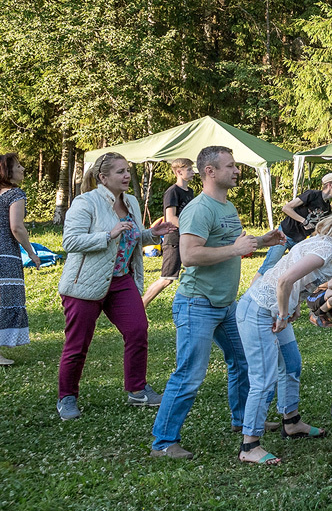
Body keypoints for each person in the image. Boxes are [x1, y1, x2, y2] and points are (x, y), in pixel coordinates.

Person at [150, 146, 285, 459]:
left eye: (235, 166)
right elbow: (190, 255)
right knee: (189, 375)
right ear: (209, 171)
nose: (236, 171)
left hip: (226, 305)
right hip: (197, 303)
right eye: (230, 166)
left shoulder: (227, 205)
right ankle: (163, 443)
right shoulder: (199, 209)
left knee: (242, 362)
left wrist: (263, 241)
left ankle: (244, 421)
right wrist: (235, 251)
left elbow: (228, 243)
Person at [235, 204, 332, 465]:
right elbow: (285, 279)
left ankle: (291, 421)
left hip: (272, 309)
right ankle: (249, 444)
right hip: (259, 311)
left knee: (291, 364)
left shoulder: (325, 244)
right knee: (263, 378)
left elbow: (300, 279)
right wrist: (284, 314)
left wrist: (294, 305)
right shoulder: (325, 248)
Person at [56, 152, 177, 421]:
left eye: (127, 170)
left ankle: (137, 390)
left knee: (137, 330)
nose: (126, 175)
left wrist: (150, 235)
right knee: (78, 343)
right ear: (103, 177)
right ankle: (67, 398)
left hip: (121, 281)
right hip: (85, 283)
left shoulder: (132, 201)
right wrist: (106, 235)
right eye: (120, 171)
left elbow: (131, 236)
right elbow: (71, 242)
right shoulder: (85, 202)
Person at [251, 172, 332, 285]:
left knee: (294, 273)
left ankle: (287, 298)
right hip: (283, 235)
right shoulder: (311, 195)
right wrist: (304, 221)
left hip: (299, 242)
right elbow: (286, 208)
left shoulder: (326, 206)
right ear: (329, 184)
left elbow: (319, 212)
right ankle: (248, 295)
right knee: (268, 266)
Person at [1, 154, 40, 366]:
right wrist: (31, 252)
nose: (23, 168)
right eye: (18, 166)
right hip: (5, 256)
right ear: (7, 172)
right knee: (3, 301)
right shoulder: (15, 194)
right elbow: (16, 227)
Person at [142, 158, 196, 307]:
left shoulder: (190, 192)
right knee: (167, 278)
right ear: (179, 172)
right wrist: (191, 230)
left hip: (186, 239)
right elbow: (171, 218)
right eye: (189, 169)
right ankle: (141, 306)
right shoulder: (172, 192)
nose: (193, 172)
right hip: (173, 239)